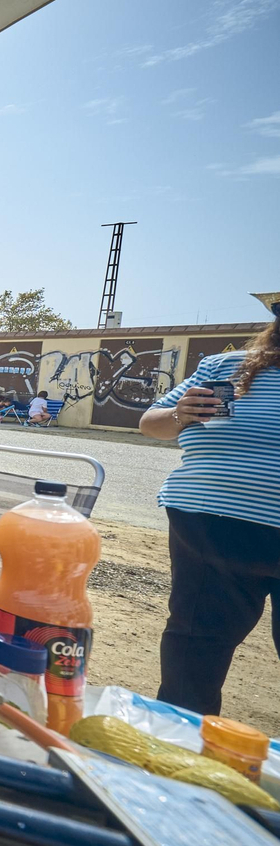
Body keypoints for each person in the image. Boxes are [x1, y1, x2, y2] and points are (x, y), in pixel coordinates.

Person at [139, 301, 280, 715]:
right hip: (209, 527)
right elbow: (150, 424)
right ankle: (179, 743)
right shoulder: (225, 366)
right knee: (195, 651)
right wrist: (179, 414)